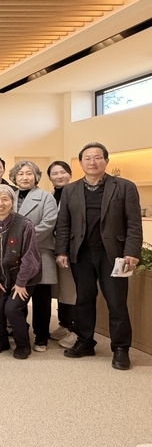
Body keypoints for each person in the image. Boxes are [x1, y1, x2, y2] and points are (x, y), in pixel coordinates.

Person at [55, 142, 142, 370]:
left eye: (97, 157)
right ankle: (85, 341)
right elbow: (63, 223)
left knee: (116, 302)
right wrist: (61, 250)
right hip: (81, 254)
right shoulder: (70, 190)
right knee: (83, 300)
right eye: (87, 158)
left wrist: (132, 251)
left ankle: (121, 348)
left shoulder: (124, 187)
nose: (92, 162)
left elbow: (134, 222)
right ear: (80, 162)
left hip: (115, 256)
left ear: (106, 161)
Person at [0, 185, 41, 360]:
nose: (0, 203)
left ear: (12, 202)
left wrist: (21, 283)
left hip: (24, 278)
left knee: (12, 308)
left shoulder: (24, 224)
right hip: (0, 278)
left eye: (5, 199)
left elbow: (30, 257)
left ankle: (23, 344)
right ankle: (1, 341)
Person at [9, 160, 58, 352]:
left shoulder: (46, 197)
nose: (25, 177)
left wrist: (22, 240)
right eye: (20, 174)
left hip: (40, 252)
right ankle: (21, 332)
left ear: (36, 176)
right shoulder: (9, 196)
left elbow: (48, 223)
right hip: (15, 254)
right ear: (14, 177)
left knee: (41, 298)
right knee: (18, 296)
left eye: (29, 173)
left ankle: (41, 337)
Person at [47, 160, 77, 348]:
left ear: (70, 174)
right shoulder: (51, 197)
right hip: (54, 247)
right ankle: (64, 324)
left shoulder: (77, 194)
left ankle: (75, 329)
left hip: (71, 249)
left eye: (63, 172)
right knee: (61, 289)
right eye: (55, 173)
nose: (59, 176)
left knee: (72, 290)